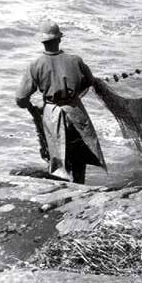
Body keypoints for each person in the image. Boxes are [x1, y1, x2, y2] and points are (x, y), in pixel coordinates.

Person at [16, 20, 106, 184]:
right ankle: (80, 189)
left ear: (43, 42)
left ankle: (63, 195)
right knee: (79, 156)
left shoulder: (35, 65)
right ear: (59, 39)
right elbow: (90, 81)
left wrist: (31, 107)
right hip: (76, 112)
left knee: (58, 159)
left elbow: (21, 98)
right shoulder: (75, 60)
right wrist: (75, 95)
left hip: (53, 115)